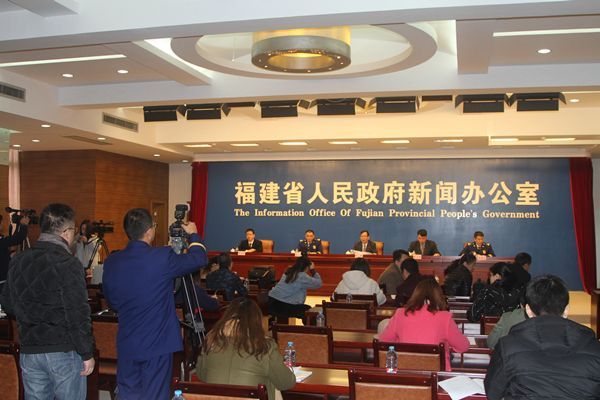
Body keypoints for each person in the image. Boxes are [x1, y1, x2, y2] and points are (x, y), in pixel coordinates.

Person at [102, 208, 208, 400]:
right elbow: (199, 258)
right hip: (157, 345)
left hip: (128, 342)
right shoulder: (162, 257)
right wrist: (193, 234)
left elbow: (113, 303)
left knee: (128, 395)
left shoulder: (112, 261)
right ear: (150, 231)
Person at [0, 203, 94, 399]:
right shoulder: (68, 263)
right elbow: (77, 314)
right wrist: (87, 353)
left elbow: (7, 303)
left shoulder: (18, 260)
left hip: (30, 350)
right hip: (64, 350)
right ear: (66, 232)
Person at [485, 275, 600, 399]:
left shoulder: (508, 345)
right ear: (566, 310)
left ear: (528, 310)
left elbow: (493, 392)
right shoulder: (594, 348)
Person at [197, 297, 296, 400]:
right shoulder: (265, 346)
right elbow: (286, 383)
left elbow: (201, 375)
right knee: (272, 381)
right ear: (257, 320)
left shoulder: (211, 340)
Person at [379, 278, 470, 371]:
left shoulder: (400, 314)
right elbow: (463, 346)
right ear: (439, 297)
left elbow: (383, 341)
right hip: (436, 375)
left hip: (405, 373)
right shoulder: (445, 317)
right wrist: (447, 346)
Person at [268, 256, 322, 320]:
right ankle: (310, 327)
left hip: (271, 302)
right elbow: (318, 283)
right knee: (309, 313)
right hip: (283, 306)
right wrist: (313, 270)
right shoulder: (302, 276)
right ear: (307, 267)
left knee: (303, 308)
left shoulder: (288, 272)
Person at [0, 213, 29, 287]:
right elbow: (18, 238)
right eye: (1, 222)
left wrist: (8, 255)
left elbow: (13, 239)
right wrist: (24, 225)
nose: (2, 224)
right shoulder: (1, 241)